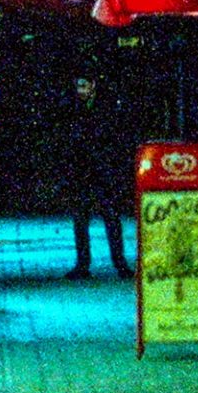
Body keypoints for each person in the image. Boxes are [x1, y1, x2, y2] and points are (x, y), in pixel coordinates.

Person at [60, 73, 135, 279]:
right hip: (82, 170)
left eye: (83, 85)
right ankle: (83, 263)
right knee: (82, 218)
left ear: (93, 85)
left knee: (110, 216)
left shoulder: (107, 106)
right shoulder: (73, 106)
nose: (80, 91)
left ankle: (119, 262)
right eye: (78, 86)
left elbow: (115, 137)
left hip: (102, 170)